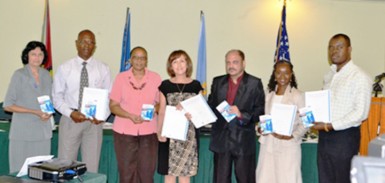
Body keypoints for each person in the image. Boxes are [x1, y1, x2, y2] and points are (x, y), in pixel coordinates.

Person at [312, 34, 372, 183]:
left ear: (349, 49)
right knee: (325, 179)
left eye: (339, 47)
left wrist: (329, 125)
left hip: (344, 139)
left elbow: (361, 113)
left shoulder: (359, 76)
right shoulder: (330, 75)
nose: (334, 51)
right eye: (331, 47)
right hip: (325, 137)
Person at [52, 29, 111, 173]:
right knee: (65, 166)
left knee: (91, 168)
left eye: (91, 42)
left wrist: (102, 116)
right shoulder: (65, 68)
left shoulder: (102, 68)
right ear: (77, 44)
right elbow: (56, 97)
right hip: (70, 119)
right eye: (84, 41)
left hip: (94, 123)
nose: (87, 45)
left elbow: (109, 97)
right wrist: (71, 113)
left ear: (94, 46)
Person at [208, 49, 265, 183]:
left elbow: (260, 111)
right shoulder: (217, 82)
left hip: (243, 141)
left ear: (243, 63)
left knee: (245, 180)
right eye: (228, 62)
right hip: (221, 141)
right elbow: (210, 106)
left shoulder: (254, 83)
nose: (231, 65)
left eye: (235, 62)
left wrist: (241, 115)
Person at [109, 46, 161, 183]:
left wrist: (153, 109)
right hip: (124, 132)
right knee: (126, 174)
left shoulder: (156, 78)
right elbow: (113, 106)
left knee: (147, 174)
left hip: (148, 132)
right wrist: (129, 115)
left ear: (146, 61)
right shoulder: (121, 78)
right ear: (130, 60)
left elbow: (162, 104)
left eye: (142, 58)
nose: (139, 61)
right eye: (136, 57)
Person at [3, 41, 52, 173]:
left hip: (43, 133)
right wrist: (34, 112)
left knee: (41, 173)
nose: (37, 57)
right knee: (20, 172)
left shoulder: (47, 75)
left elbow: (48, 100)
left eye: (40, 54)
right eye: (33, 54)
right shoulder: (19, 75)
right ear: (27, 56)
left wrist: (48, 113)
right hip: (22, 133)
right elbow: (8, 105)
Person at [256, 60, 307, 183]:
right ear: (274, 74)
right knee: (265, 178)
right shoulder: (268, 95)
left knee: (288, 179)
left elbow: (307, 122)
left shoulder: (298, 95)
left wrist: (292, 136)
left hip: (288, 147)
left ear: (291, 74)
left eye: (286, 73)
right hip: (268, 145)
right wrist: (259, 128)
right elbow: (261, 117)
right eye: (279, 73)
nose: (282, 77)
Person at [157, 50, 203, 183]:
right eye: (175, 61)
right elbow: (161, 112)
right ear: (170, 66)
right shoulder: (165, 85)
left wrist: (192, 114)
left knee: (185, 175)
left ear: (187, 64)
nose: (179, 65)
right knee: (169, 175)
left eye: (182, 61)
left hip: (189, 136)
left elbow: (201, 112)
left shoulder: (196, 85)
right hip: (169, 135)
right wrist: (159, 132)